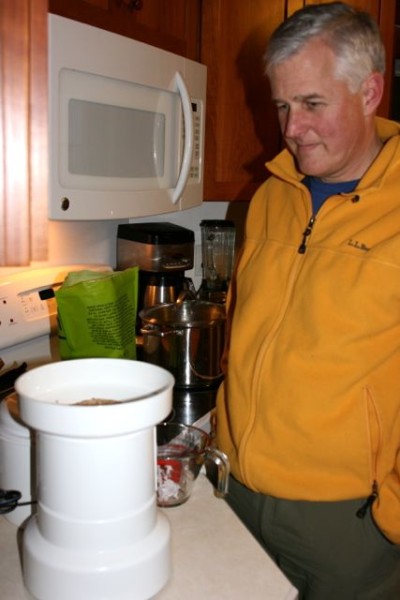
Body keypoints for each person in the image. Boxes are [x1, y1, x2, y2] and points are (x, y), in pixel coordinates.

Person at [215, 2, 400, 598]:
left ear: (369, 92)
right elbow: (246, 331)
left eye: (313, 103)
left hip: (347, 526)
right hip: (236, 493)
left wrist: (390, 515)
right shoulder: (270, 196)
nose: (291, 128)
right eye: (282, 105)